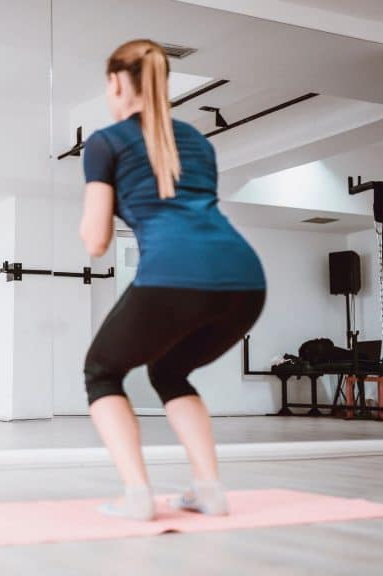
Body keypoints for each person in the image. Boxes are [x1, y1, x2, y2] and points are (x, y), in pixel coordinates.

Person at [79, 39, 267, 520]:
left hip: (175, 276)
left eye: (107, 86)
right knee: (168, 370)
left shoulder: (106, 142)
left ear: (118, 82)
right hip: (244, 281)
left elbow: (96, 241)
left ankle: (137, 494)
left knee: (102, 372)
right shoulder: (199, 141)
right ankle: (209, 489)